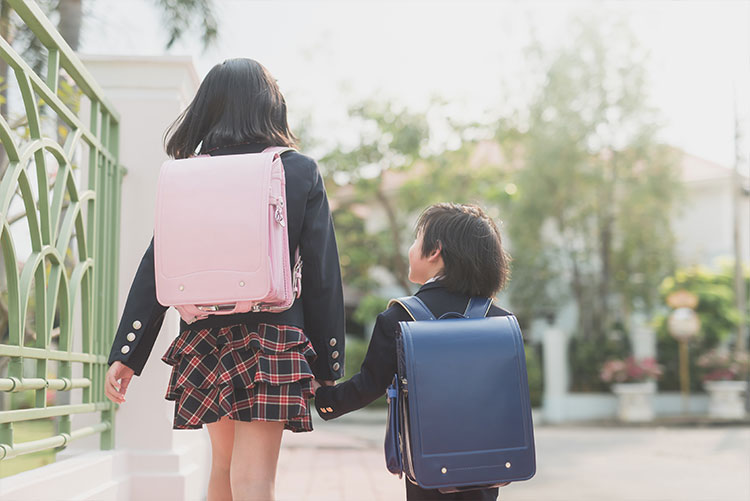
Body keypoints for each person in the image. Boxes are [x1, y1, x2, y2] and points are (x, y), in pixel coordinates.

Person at [104, 58, 345, 501]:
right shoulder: (298, 170)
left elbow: (157, 264)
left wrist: (128, 351)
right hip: (273, 336)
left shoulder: (187, 173)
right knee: (254, 478)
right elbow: (322, 276)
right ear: (270, 106)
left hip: (204, 338)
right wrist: (329, 366)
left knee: (223, 467)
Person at [313, 202, 512, 501]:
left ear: (435, 251)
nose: (411, 248)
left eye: (416, 239)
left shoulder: (399, 318)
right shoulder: (500, 321)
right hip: (487, 460)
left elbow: (368, 386)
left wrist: (324, 398)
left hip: (428, 462)